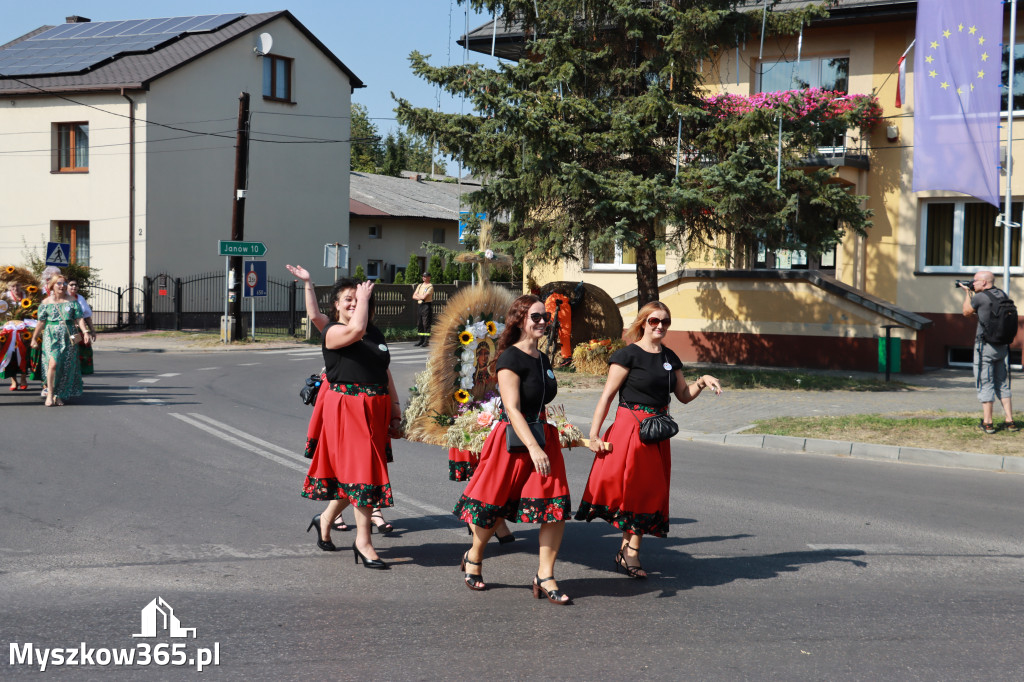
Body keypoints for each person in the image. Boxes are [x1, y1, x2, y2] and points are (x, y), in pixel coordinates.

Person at [575, 302, 722, 579]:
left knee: (648, 492)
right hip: (630, 429)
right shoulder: (627, 355)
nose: (660, 326)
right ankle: (630, 555)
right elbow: (606, 396)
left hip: (656, 432)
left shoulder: (669, 357)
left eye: (665, 321)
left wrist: (702, 380)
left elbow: (683, 395)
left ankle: (628, 552)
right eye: (654, 320)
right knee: (629, 489)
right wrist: (594, 435)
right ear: (643, 322)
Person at [452, 295, 572, 603]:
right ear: (519, 321)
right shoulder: (509, 359)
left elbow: (541, 401)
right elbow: (513, 409)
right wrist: (533, 448)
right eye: (535, 317)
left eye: (545, 316)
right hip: (515, 442)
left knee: (554, 508)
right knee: (492, 506)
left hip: (543, 436)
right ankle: (475, 557)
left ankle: (545, 575)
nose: (543, 321)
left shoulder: (542, 359)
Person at [286, 265, 402, 569]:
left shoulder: (373, 332)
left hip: (375, 408)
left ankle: (325, 518)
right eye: (347, 299)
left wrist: (396, 410)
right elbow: (343, 326)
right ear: (336, 305)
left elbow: (383, 371)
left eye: (358, 298)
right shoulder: (335, 332)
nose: (353, 302)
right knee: (364, 474)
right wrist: (310, 284)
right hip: (349, 409)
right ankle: (363, 542)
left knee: (356, 475)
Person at [960, 270, 1017, 434]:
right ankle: (1010, 420)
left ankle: (988, 423)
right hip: (1002, 347)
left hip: (985, 347)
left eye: (975, 281)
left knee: (984, 382)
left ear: (984, 282)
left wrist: (968, 293)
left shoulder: (979, 297)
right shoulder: (1002, 294)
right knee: (1002, 382)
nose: (973, 283)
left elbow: (966, 312)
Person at [29, 273, 91, 407]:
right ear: (52, 285)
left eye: (64, 283)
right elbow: (41, 322)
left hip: (69, 337)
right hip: (51, 338)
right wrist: (34, 338)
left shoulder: (72, 301)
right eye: (59, 283)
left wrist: (85, 331)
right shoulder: (46, 303)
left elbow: (79, 318)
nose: (62, 286)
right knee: (53, 364)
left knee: (65, 366)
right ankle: (50, 393)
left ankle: (59, 394)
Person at [2, 281, 30, 391]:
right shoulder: (6, 297)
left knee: (24, 354)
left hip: (25, 328)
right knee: (11, 354)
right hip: (10, 329)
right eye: (13, 286)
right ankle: (14, 380)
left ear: (21, 285)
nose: (15, 288)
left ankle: (23, 378)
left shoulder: (27, 296)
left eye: (17, 285)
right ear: (9, 288)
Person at [67, 279, 97, 376]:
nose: (74, 287)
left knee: (85, 348)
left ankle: (83, 371)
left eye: (76, 285)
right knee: (73, 349)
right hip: (70, 329)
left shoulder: (80, 298)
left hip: (81, 329)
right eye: (71, 285)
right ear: (66, 286)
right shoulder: (64, 299)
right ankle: (73, 372)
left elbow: (87, 316)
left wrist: (92, 330)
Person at [544, 291, 572, 367]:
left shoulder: (549, 298)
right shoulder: (565, 298)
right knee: (565, 333)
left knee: (549, 322)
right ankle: (567, 357)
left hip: (551, 302)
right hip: (564, 304)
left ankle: (549, 332)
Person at [411, 272, 433, 347]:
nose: (424, 277)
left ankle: (426, 341)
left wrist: (419, 296)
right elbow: (413, 296)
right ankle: (421, 340)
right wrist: (420, 297)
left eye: (425, 276)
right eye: (423, 276)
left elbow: (424, 298)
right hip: (420, 305)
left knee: (426, 323)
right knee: (419, 323)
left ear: (429, 277)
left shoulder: (430, 286)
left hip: (426, 305)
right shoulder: (420, 285)